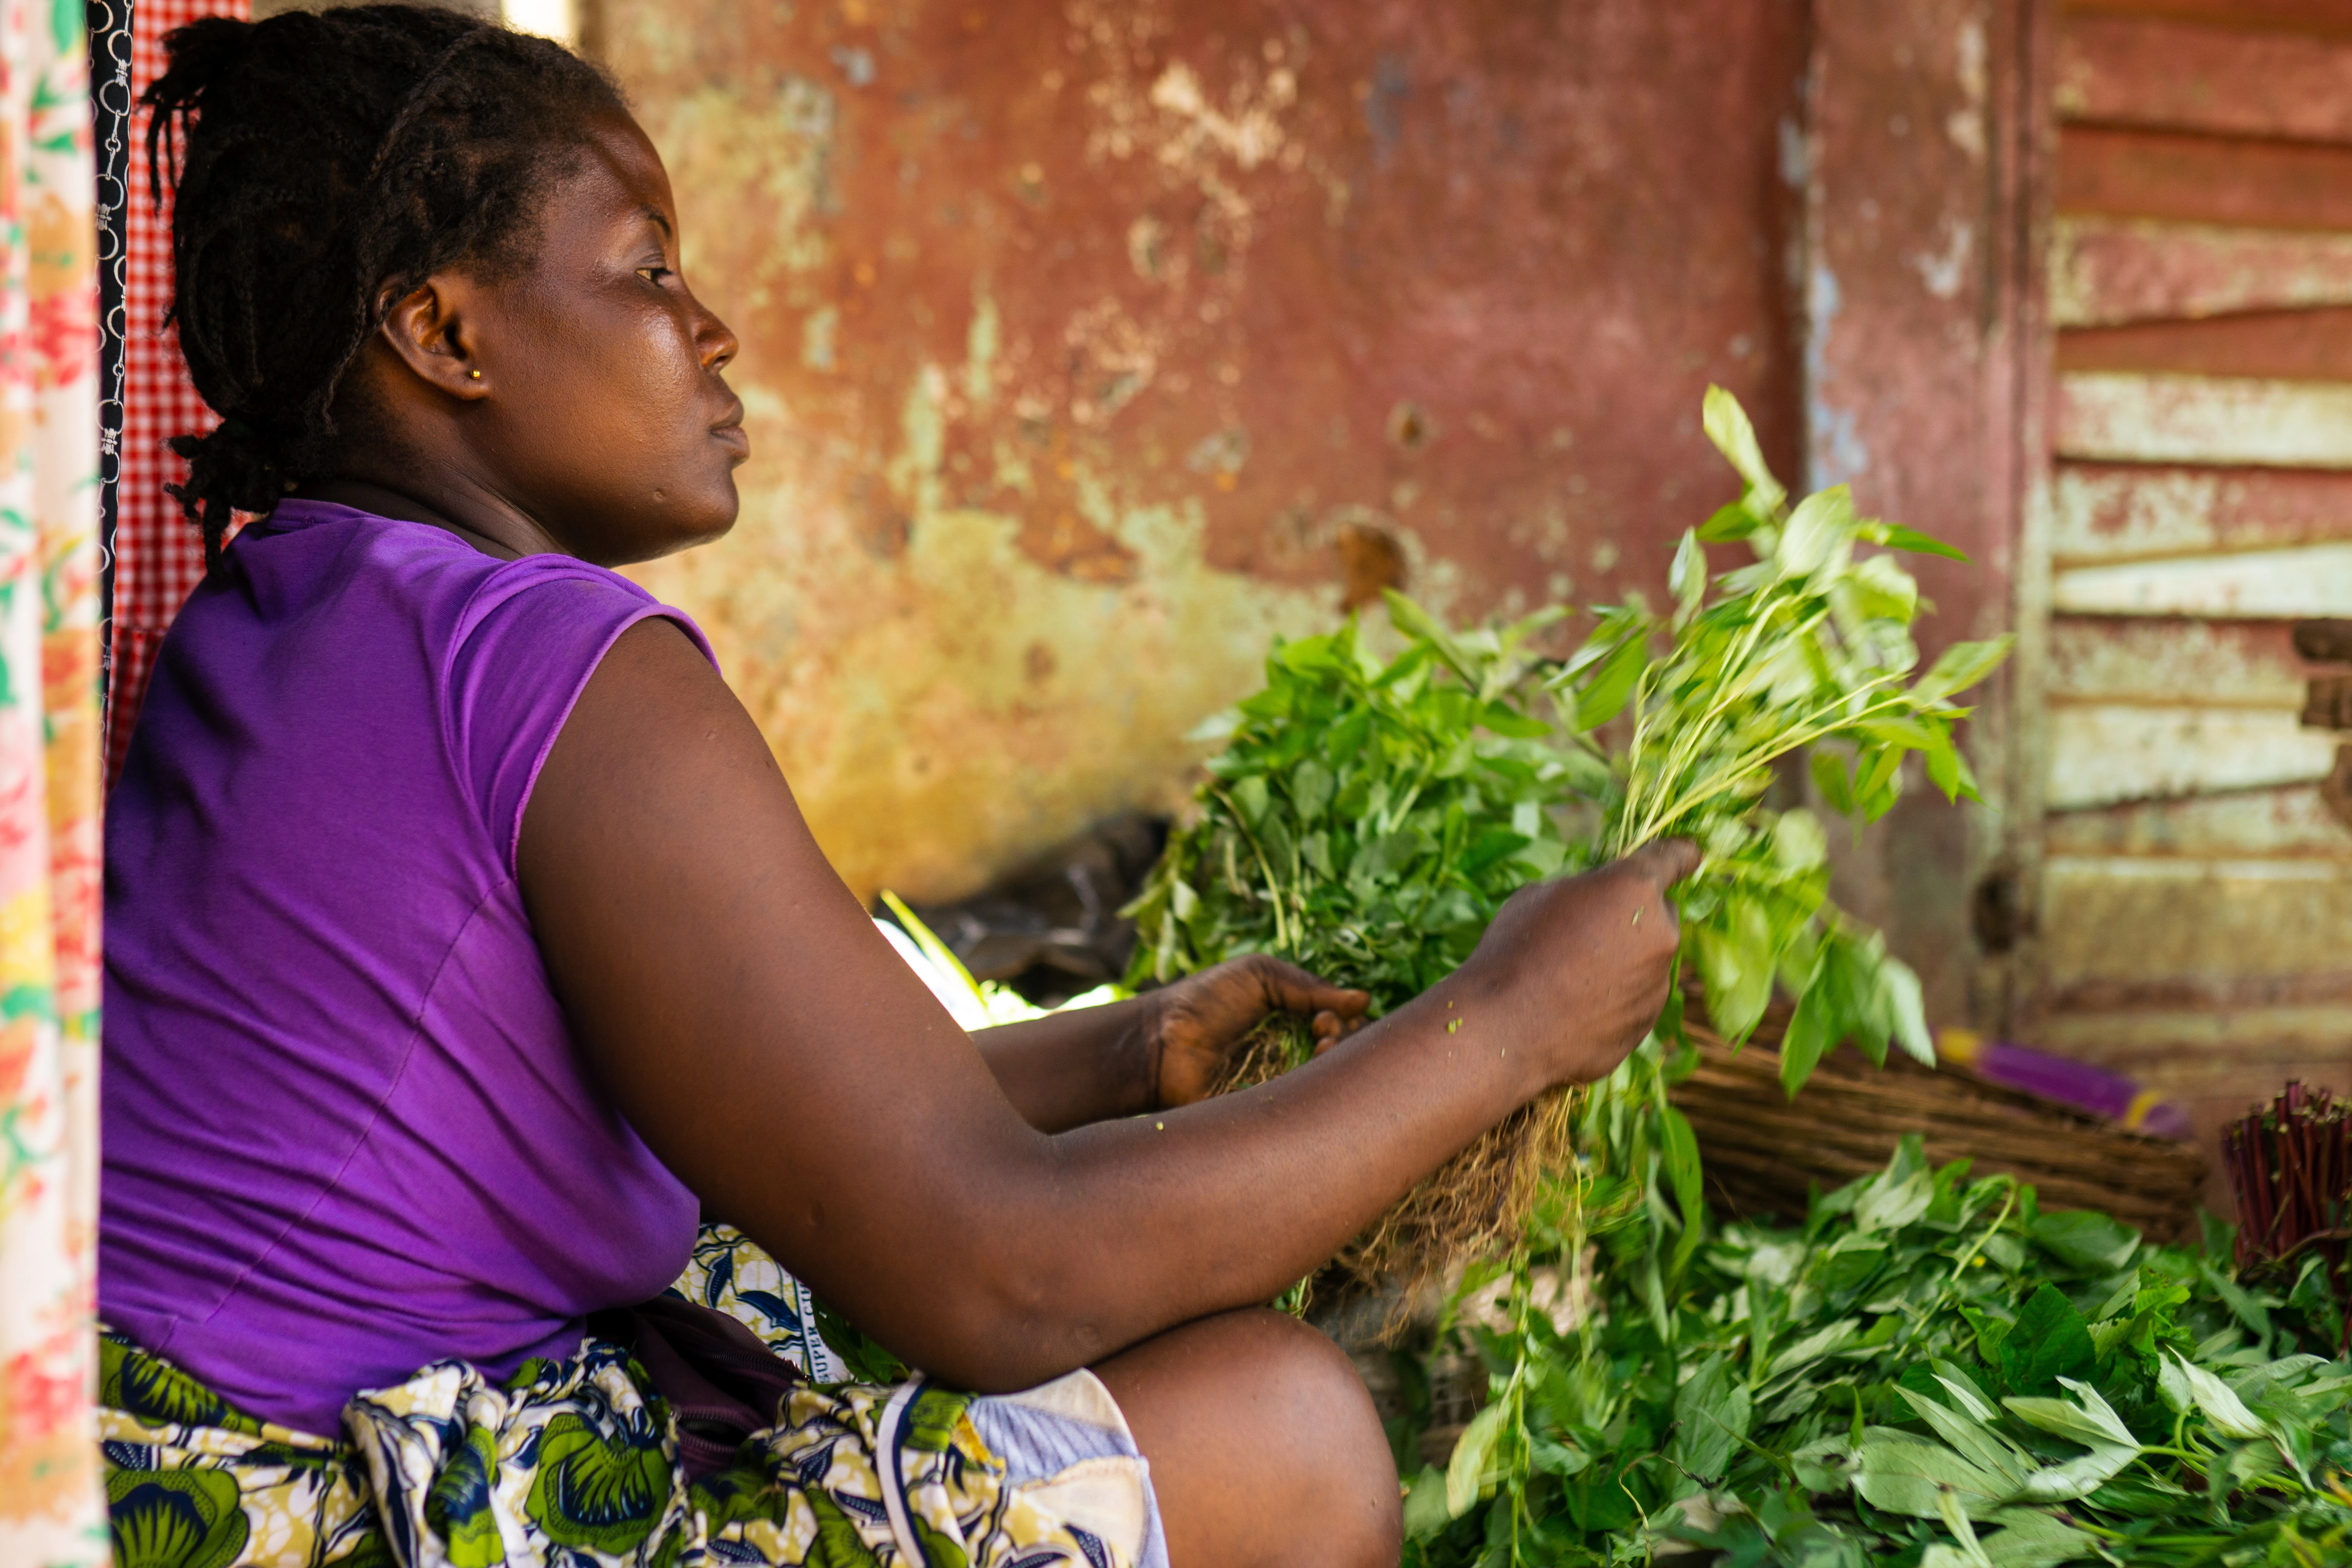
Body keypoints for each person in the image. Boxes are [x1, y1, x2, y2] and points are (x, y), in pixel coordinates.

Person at [95, 8, 1694, 1567]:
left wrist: (1131, 1047)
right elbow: (1002, 1270)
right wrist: (1512, 1023)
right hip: (294, 1505)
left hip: (140, 1460)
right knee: (1275, 1431)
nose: (709, 330)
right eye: (649, 269)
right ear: (442, 333)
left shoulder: (288, 610)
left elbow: (763, 1105)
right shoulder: (557, 670)